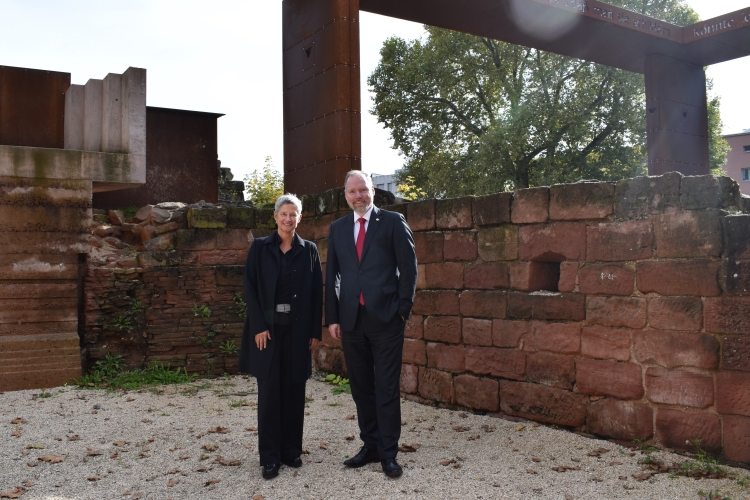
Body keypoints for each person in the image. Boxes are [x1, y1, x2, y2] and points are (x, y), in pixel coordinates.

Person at [326, 170, 418, 478]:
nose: (358, 196)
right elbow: (332, 277)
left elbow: (409, 268)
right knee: (361, 388)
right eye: (352, 192)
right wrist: (333, 317)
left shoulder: (392, 222)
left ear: (373, 191)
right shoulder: (337, 228)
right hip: (351, 320)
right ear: (346, 196)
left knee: (387, 387)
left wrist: (402, 310)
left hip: (386, 319)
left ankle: (389, 454)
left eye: (363, 190)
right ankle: (370, 445)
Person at [238, 193, 322, 480]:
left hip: (298, 332)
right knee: (271, 393)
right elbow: (250, 288)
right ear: (275, 217)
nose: (288, 219)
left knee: (294, 391)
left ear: (300, 217)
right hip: (268, 332)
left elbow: (316, 293)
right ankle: (270, 457)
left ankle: (291, 451)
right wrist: (259, 326)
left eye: (293, 214)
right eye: (283, 213)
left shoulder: (309, 249)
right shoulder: (260, 248)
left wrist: (314, 331)